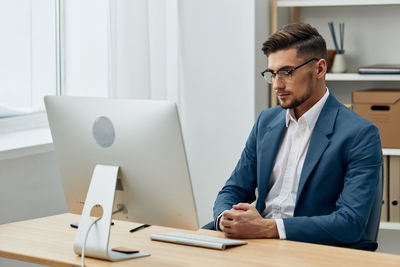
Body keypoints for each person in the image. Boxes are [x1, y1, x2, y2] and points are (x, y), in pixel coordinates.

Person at [213, 22, 382, 246]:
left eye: (286, 72)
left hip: (312, 249)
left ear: (320, 69)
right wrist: (226, 218)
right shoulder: (266, 122)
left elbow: (350, 223)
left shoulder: (360, 134)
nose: (276, 85)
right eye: (272, 74)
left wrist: (268, 228)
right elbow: (233, 189)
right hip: (256, 243)